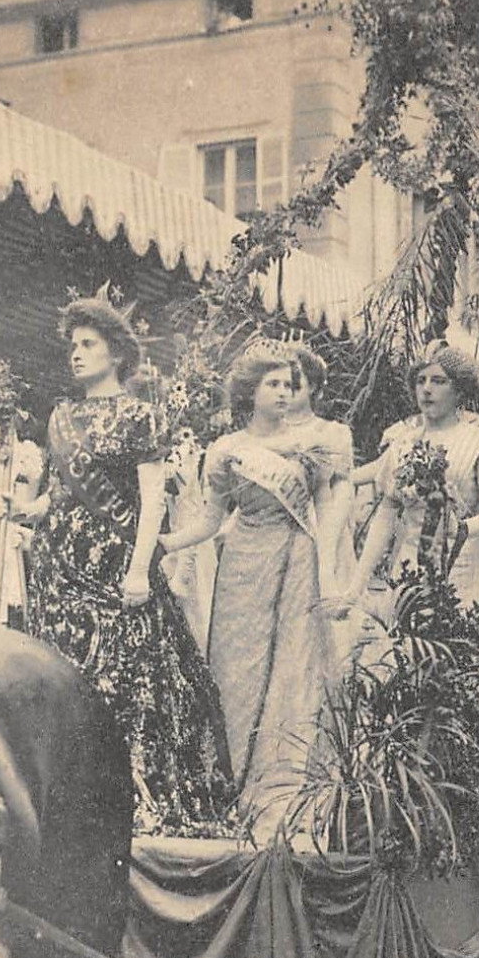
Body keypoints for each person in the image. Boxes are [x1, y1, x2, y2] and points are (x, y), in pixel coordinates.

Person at [14, 292, 233, 833]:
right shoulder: (60, 417)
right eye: (73, 346)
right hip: (59, 570)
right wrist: (25, 507)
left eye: (89, 345)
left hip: (117, 571)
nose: (77, 354)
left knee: (126, 683)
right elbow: (59, 495)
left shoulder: (141, 417)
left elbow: (152, 501)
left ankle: (133, 800)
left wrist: (139, 571)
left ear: (116, 354)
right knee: (64, 677)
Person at [158, 345, 337, 839]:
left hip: (299, 559)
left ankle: (280, 795)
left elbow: (327, 516)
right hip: (242, 564)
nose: (284, 393)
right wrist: (165, 542)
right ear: (250, 391)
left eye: (289, 384)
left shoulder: (313, 447)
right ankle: (229, 786)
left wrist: (336, 574)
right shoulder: (226, 449)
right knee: (234, 670)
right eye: (273, 384)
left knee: (292, 670)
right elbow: (211, 520)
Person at [340, 342, 479, 617]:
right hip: (410, 564)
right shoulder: (402, 444)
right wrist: (355, 586)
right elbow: (385, 517)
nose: (427, 389)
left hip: (463, 565)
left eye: (439, 381)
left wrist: (461, 529)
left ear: (459, 390)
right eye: (421, 381)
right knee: (410, 651)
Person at [282, 342, 356, 598]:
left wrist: (330, 540)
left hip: (325, 529)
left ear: (312, 385)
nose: (286, 389)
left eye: (294, 380)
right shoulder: (263, 434)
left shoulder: (334, 433)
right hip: (279, 531)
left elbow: (343, 490)